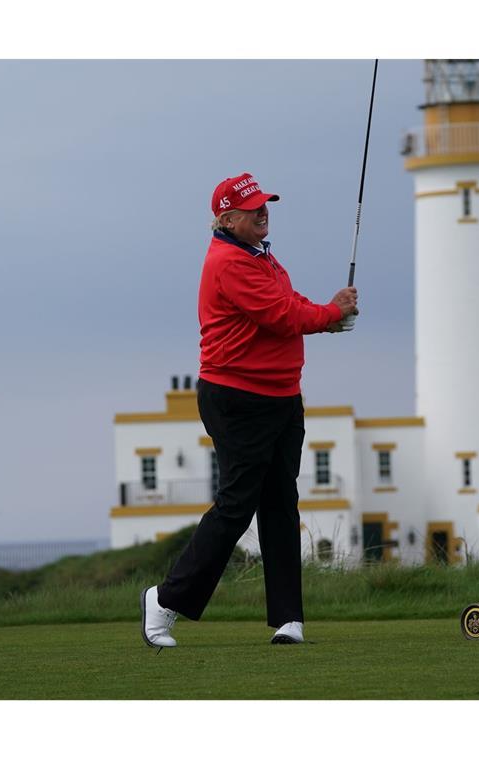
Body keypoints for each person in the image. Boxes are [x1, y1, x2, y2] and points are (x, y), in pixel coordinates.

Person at [140, 172, 358, 648]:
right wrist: (330, 316)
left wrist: (328, 310)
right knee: (238, 506)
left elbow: (291, 302)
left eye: (265, 203)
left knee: (280, 503)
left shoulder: (261, 257)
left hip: (280, 396)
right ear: (226, 218)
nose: (263, 211)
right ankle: (165, 600)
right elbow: (283, 316)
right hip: (237, 399)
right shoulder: (228, 263)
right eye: (253, 207)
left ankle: (287, 618)